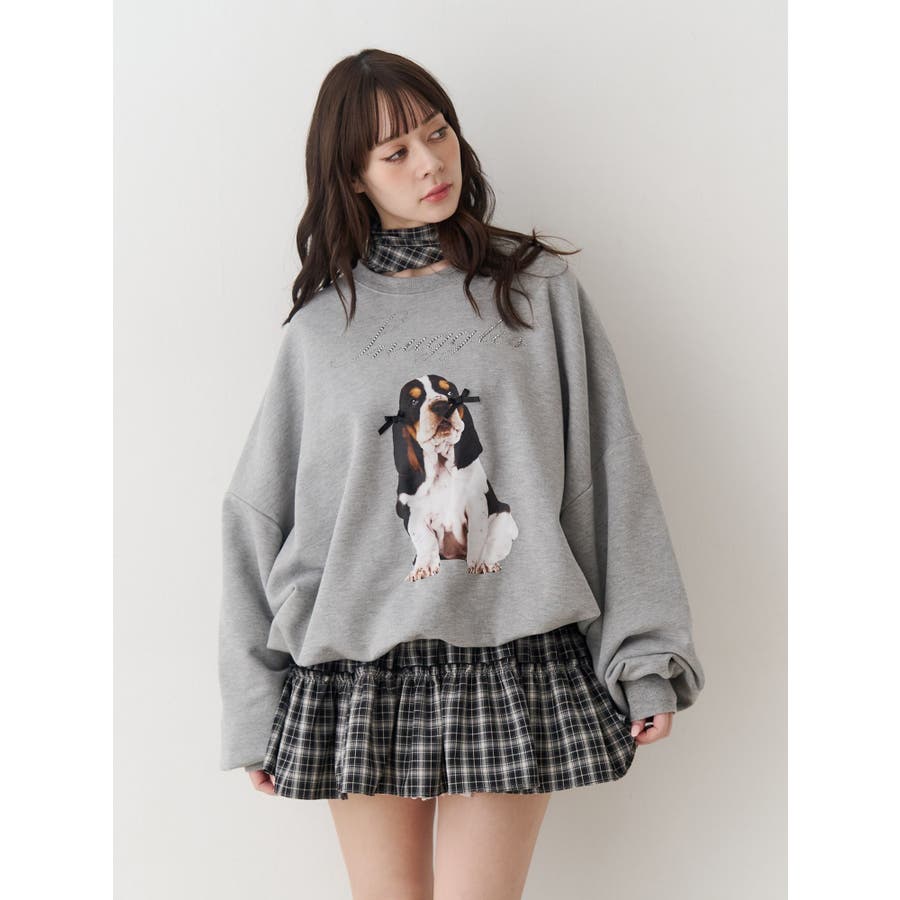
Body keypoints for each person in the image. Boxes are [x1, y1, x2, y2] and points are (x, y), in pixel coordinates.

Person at [218, 48, 705, 899]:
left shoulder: (534, 290)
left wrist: (644, 655)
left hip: (511, 654)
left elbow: (606, 474)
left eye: (437, 132)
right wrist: (255, 705)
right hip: (357, 670)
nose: (429, 162)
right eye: (395, 152)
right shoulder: (322, 329)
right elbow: (259, 516)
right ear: (353, 177)